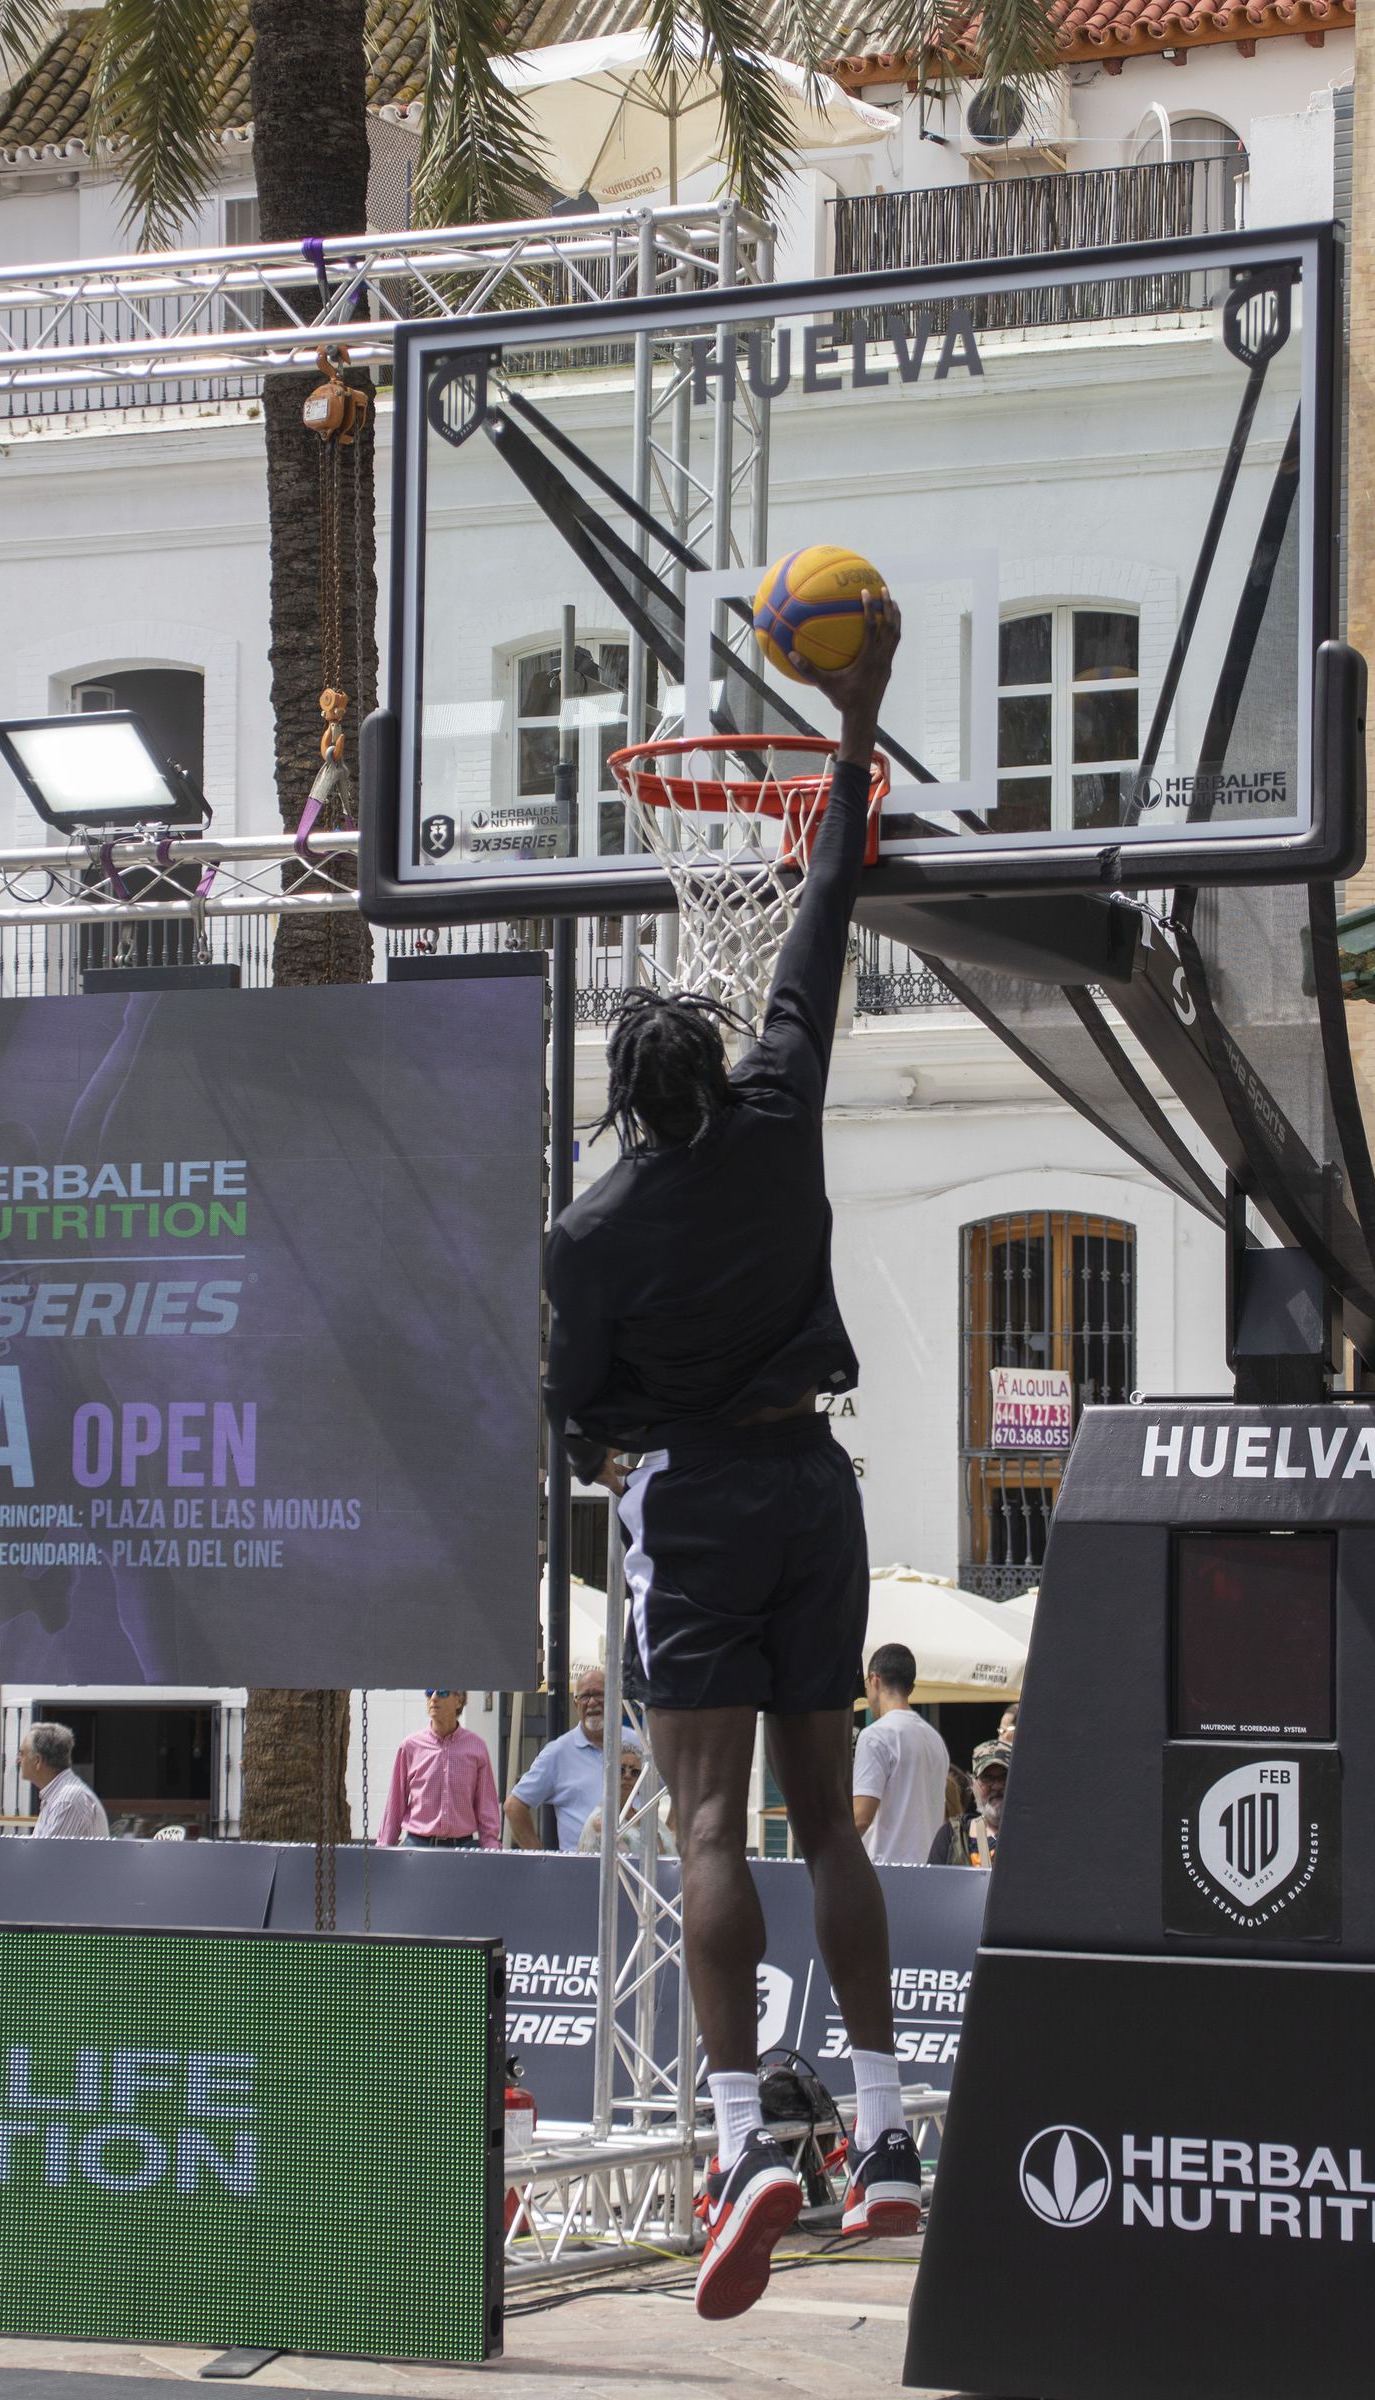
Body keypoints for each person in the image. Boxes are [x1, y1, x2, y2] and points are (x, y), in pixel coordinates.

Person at [544, 596, 921, 2325]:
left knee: (707, 1819)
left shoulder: (593, 1229)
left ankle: (733, 2138)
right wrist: (856, 725)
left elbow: (582, 1416)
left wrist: (630, 1438)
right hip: (817, 1484)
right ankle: (886, 2125)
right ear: (717, 1070)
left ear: (627, 1101)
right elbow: (824, 913)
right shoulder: (780, 1114)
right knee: (824, 1812)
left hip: (693, 1492)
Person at [505, 1667, 629, 1854]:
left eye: (598, 1694)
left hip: (636, 1870)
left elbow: (678, 1788)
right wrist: (540, 1859)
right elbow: (514, 1806)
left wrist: (672, 1833)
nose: (592, 1702)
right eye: (585, 1696)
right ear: (575, 1704)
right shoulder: (558, 1752)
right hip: (580, 1871)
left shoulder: (638, 1745)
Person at [852, 1643, 951, 1866]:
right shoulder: (935, 1740)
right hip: (929, 1871)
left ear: (874, 1680)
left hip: (886, 1871)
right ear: (911, 1687)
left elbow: (860, 1818)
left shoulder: (875, 1736)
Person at [377, 1688, 501, 1850]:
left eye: (442, 1692)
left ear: (459, 1700)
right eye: (429, 1692)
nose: (434, 1698)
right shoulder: (410, 1746)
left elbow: (486, 1804)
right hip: (417, 1848)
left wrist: (492, 1849)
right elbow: (395, 1802)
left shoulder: (477, 1747)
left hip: (462, 1848)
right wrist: (383, 1849)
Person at [578, 1739, 678, 1857]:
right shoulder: (601, 1821)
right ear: (609, 1775)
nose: (627, 1776)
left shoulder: (646, 1816)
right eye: (621, 1770)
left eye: (635, 1772)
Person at [928, 1739, 1010, 1868]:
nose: (997, 1786)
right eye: (987, 1777)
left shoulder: (1031, 1836)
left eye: (1004, 1777)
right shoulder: (952, 1836)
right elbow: (931, 1885)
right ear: (973, 1785)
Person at [20, 1722, 109, 1839]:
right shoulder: (57, 1795)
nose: (18, 1759)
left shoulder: (67, 1800)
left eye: (22, 1754)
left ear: (38, 1761)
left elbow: (45, 1854)